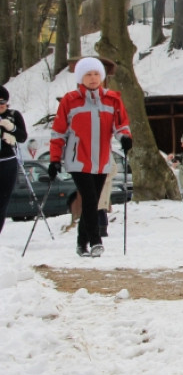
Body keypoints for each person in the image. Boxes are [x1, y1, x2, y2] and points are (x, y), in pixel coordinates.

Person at [49, 57, 132, 257]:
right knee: (90, 198)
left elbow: (121, 125)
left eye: (96, 74)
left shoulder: (112, 99)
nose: (93, 78)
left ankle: (81, 244)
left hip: (102, 160)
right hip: (78, 159)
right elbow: (58, 133)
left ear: (102, 77)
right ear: (80, 78)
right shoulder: (70, 100)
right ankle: (96, 241)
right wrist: (54, 159)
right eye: (88, 74)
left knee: (92, 202)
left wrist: (125, 138)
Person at [0, 86, 29, 234]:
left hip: (8, 162)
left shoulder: (13, 115)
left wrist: (12, 130)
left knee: (3, 201)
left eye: (2, 104)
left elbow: (23, 137)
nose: (0, 107)